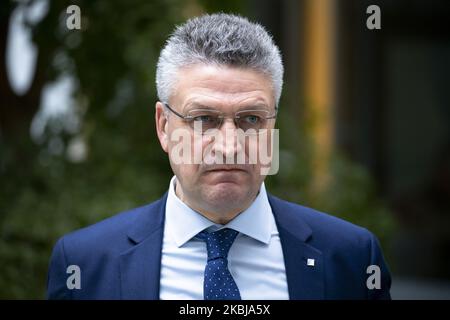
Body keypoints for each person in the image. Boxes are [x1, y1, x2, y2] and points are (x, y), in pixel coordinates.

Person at [47, 13, 391, 300]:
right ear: (163, 126)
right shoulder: (86, 265)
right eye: (203, 120)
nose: (229, 146)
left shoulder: (351, 258)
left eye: (251, 120)